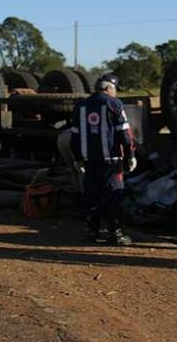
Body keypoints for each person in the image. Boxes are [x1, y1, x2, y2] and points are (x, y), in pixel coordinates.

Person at [70, 73, 137, 245]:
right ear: (108, 88)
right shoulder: (114, 104)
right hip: (112, 161)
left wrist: (77, 159)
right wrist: (130, 155)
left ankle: (92, 231)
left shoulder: (81, 106)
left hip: (89, 160)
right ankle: (115, 233)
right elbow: (125, 133)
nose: (116, 93)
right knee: (114, 195)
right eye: (115, 89)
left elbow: (75, 136)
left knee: (92, 194)